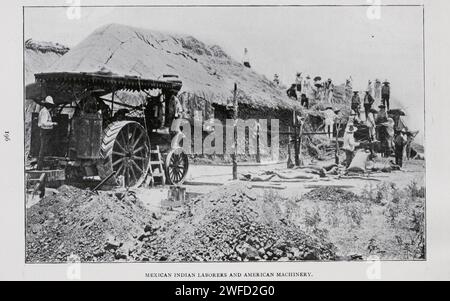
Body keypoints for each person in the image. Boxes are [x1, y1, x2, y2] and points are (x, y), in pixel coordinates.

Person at [37, 96, 57, 170]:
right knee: (43, 149)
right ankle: (40, 166)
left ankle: (42, 165)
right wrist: (53, 123)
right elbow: (44, 123)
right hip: (45, 131)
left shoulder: (45, 111)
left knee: (45, 148)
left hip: (45, 131)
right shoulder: (45, 112)